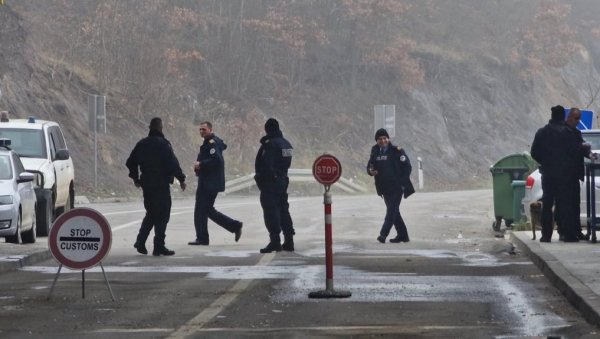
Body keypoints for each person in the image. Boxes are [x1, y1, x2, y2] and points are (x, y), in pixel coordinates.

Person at [126, 117, 187, 256]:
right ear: (160, 128)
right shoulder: (164, 144)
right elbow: (173, 163)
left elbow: (130, 162)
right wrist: (181, 179)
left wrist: (136, 178)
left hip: (147, 184)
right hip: (161, 184)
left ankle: (140, 241)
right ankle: (158, 246)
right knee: (163, 215)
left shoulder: (141, 144)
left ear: (150, 127)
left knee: (151, 214)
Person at [188, 121, 242, 246]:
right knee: (207, 210)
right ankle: (233, 226)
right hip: (208, 181)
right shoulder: (209, 142)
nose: (201, 132)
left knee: (201, 210)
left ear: (211, 130)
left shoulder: (212, 143)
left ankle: (203, 238)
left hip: (209, 183)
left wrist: (201, 164)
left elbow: (216, 160)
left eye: (204, 129)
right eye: (200, 129)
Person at [530, 105, 574, 242]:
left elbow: (534, 152)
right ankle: (563, 232)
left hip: (548, 173)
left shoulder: (542, 132)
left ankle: (546, 235)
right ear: (562, 116)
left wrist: (544, 162)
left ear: (552, 116)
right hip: (565, 175)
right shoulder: (568, 132)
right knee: (563, 203)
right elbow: (574, 152)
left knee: (547, 203)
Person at [367, 128, 415, 243]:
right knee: (394, 212)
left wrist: (403, 184)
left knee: (391, 211)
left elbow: (407, 167)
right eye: (380, 139)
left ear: (388, 139)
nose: (383, 141)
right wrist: (370, 171)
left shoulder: (397, 151)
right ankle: (403, 235)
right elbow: (370, 166)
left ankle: (383, 234)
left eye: (384, 138)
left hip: (397, 187)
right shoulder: (375, 151)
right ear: (376, 141)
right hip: (384, 188)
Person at [254, 118, 295, 253]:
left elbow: (266, 165)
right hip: (283, 180)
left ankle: (275, 241)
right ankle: (289, 240)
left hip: (271, 183)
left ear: (267, 129)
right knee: (284, 210)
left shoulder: (271, 144)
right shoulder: (286, 144)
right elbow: (286, 163)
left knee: (271, 211)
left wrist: (261, 179)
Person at [564, 107, 593, 241]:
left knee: (575, 204)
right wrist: (580, 147)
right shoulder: (563, 132)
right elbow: (567, 150)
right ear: (569, 117)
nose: (577, 121)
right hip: (565, 173)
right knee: (567, 205)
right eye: (575, 118)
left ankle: (577, 230)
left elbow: (581, 147)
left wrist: (589, 153)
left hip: (575, 173)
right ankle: (567, 232)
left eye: (579, 119)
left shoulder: (576, 132)